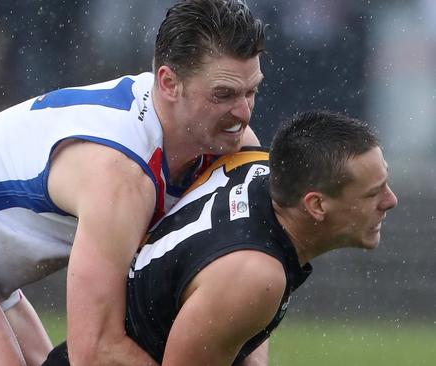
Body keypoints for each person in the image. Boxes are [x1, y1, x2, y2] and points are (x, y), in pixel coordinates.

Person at [0, 0, 266, 365]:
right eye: (224, 95)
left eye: (251, 92)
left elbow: (251, 276)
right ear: (169, 83)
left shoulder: (233, 144)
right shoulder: (119, 175)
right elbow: (94, 351)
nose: (243, 113)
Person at [43, 110, 399, 366]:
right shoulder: (255, 274)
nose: (390, 201)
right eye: (373, 194)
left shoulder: (256, 164)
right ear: (316, 204)